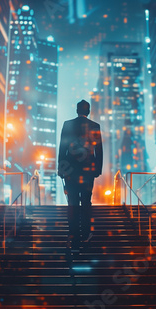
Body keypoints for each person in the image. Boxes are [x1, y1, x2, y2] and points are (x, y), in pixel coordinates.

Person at [58, 100, 103, 251]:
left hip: (70, 170)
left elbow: (62, 148)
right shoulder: (95, 126)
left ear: (76, 110)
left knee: (72, 202)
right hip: (88, 171)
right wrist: (98, 169)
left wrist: (61, 168)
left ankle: (73, 236)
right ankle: (85, 234)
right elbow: (99, 150)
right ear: (88, 111)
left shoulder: (67, 124)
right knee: (86, 201)